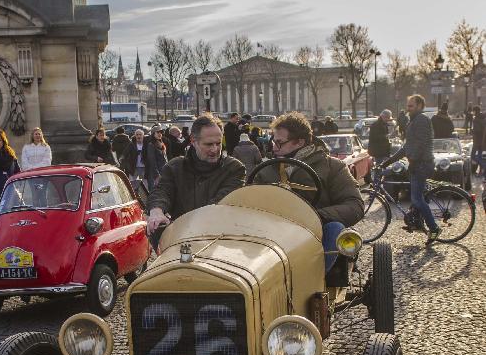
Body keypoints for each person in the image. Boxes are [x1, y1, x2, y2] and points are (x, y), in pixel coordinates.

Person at [253, 112, 365, 268]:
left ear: (299, 142)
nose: (274, 148)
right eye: (273, 142)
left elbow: (355, 205)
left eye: (279, 143)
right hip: (273, 234)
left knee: (335, 228)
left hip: (316, 234)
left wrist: (316, 216)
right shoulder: (265, 170)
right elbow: (247, 203)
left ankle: (314, 282)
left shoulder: (333, 167)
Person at [147, 114, 245, 237]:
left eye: (218, 143)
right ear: (193, 141)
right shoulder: (175, 167)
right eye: (208, 144)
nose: (215, 149)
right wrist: (156, 211)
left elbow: (220, 203)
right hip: (181, 239)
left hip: (220, 238)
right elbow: (162, 191)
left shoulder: (234, 168)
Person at [379, 95, 441, 244]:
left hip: (422, 164)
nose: (408, 108)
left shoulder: (421, 120)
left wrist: (412, 160)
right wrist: (388, 162)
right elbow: (406, 147)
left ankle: (434, 228)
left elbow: (420, 144)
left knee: (416, 199)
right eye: (408, 105)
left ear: (420, 105)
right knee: (417, 198)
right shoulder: (414, 120)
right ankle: (417, 222)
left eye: (411, 106)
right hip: (418, 164)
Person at [145, 124, 168, 189]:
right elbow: (152, 161)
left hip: (163, 172)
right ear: (153, 134)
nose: (160, 134)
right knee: (154, 192)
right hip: (155, 174)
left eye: (161, 132)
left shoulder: (162, 144)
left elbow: (165, 159)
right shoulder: (151, 145)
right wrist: (157, 175)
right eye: (158, 132)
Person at [472, 106, 485, 176]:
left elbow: (477, 130)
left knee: (473, 156)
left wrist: (473, 131)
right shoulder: (483, 118)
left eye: (473, 111)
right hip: (482, 140)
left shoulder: (476, 119)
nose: (472, 112)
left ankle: (484, 166)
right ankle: (480, 172)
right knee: (479, 156)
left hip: (477, 141)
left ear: (475, 111)